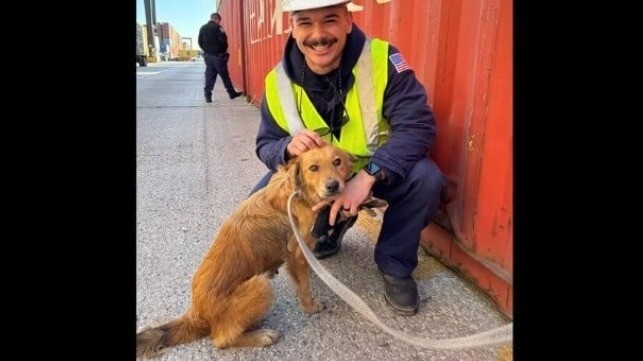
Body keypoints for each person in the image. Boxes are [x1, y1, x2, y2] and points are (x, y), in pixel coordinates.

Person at [251, 0, 447, 316]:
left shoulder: (382, 59)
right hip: (318, 179)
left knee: (426, 179)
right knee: (260, 198)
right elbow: (266, 144)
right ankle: (329, 228)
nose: (318, 35)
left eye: (329, 20)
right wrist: (286, 146)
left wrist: (368, 175)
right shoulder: (277, 81)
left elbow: (418, 125)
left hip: (378, 171)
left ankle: (395, 263)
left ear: (347, 20)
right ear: (293, 27)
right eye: (305, 23)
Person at [198, 12, 243, 103]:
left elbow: (200, 42)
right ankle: (231, 93)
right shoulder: (219, 28)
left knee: (210, 76)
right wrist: (223, 51)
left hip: (207, 56)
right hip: (218, 56)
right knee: (225, 75)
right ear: (217, 19)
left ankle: (208, 96)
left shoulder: (202, 28)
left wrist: (207, 50)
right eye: (219, 21)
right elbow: (223, 41)